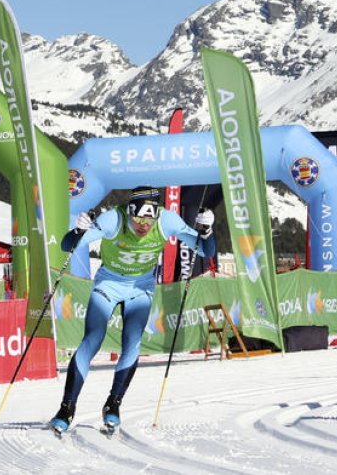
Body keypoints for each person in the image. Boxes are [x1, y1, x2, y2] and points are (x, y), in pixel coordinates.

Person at [48, 186, 217, 434]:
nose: (142, 226)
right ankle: (66, 408)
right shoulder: (113, 219)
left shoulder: (166, 220)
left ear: (156, 215)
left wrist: (207, 230)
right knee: (92, 340)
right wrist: (78, 230)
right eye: (137, 219)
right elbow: (67, 246)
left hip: (141, 287)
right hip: (109, 284)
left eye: (148, 221)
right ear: (128, 212)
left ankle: (113, 404)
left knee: (132, 343)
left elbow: (206, 250)